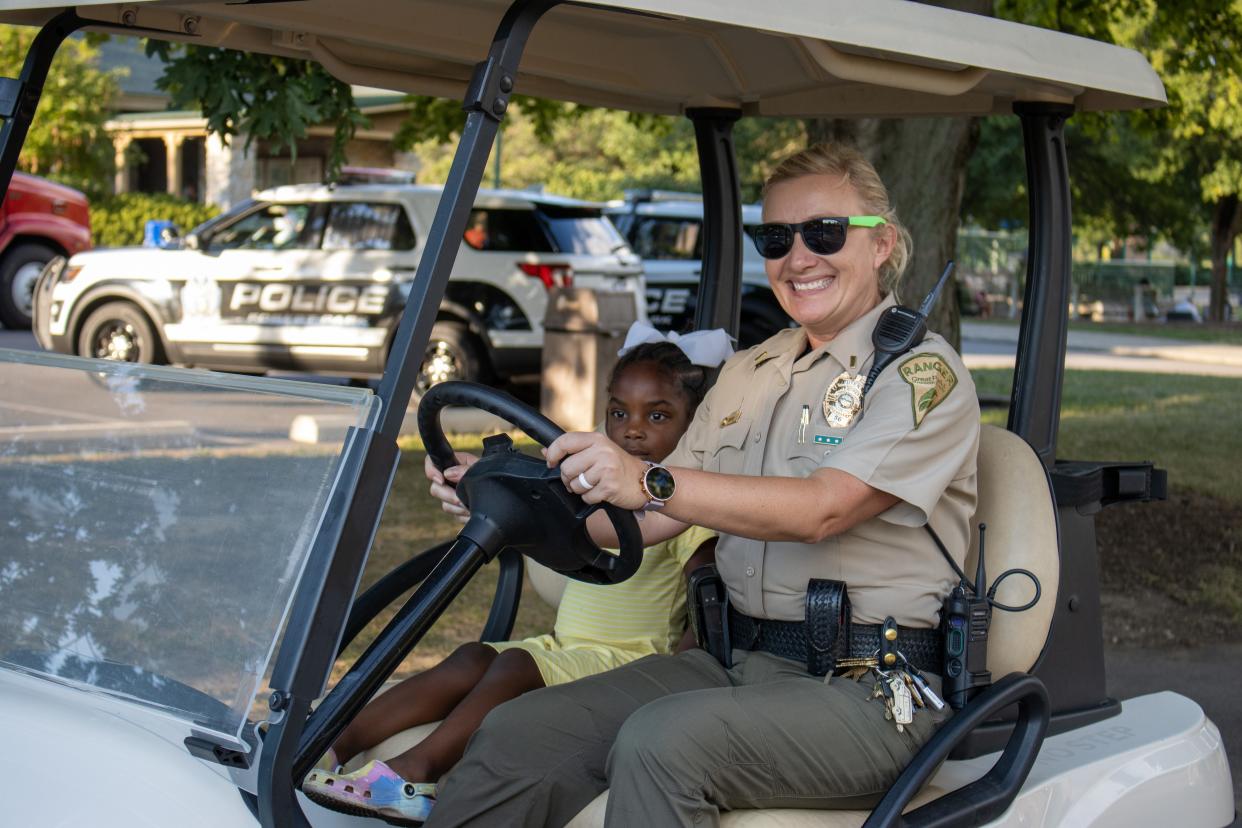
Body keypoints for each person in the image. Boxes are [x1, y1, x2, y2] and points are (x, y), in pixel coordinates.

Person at [423, 143, 980, 827]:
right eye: (776, 238)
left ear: (882, 244)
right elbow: (647, 519)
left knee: (661, 745)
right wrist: (505, 497)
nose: (798, 257)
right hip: (733, 660)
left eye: (824, 233)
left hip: (869, 690)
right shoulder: (753, 371)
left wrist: (647, 478)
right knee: (523, 730)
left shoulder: (919, 375)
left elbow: (823, 510)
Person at [302, 339, 722, 825]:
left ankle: (415, 772)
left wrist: (681, 674)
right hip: (567, 647)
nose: (631, 430)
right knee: (472, 656)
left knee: (517, 664)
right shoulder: (592, 492)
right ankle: (328, 741)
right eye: (618, 413)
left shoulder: (683, 510)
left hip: (626, 663)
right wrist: (473, 476)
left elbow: (705, 594)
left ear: (693, 428)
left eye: (657, 416)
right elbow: (536, 505)